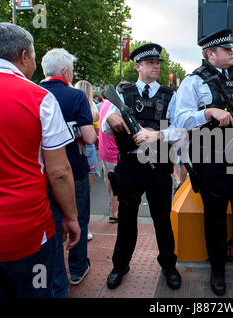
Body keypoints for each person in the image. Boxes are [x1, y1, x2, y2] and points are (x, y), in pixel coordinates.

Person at [0, 22, 80, 297]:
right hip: (26, 235)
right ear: (24, 56)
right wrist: (71, 218)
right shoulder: (40, 98)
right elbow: (59, 172)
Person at [173, 29, 233, 296]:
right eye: (227, 50)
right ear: (210, 54)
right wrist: (208, 112)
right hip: (210, 159)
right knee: (215, 218)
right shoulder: (193, 82)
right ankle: (217, 270)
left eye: (232, 49)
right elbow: (180, 119)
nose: (232, 53)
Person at [102, 43, 182, 291]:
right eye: (150, 63)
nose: (156, 66)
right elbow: (105, 129)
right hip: (130, 164)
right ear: (138, 66)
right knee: (126, 219)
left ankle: (169, 266)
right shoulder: (122, 94)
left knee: (162, 220)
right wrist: (110, 118)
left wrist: (156, 135)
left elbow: (182, 132)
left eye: (157, 63)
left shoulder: (170, 95)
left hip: (158, 165)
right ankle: (120, 265)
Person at [40, 48, 97, 297]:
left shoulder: (35, 93)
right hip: (73, 169)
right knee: (79, 220)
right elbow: (90, 137)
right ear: (65, 71)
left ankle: (55, 276)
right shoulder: (76, 96)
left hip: (41, 174)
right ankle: (77, 268)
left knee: (50, 225)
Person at [74, 80, 100, 241]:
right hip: (88, 149)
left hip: (71, 148)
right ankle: (84, 227)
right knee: (85, 192)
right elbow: (93, 135)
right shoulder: (91, 107)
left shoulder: (72, 103)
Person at [99, 82, 123, 224]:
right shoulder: (116, 106)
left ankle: (113, 206)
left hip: (104, 150)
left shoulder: (104, 104)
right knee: (116, 183)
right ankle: (114, 212)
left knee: (110, 180)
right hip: (114, 150)